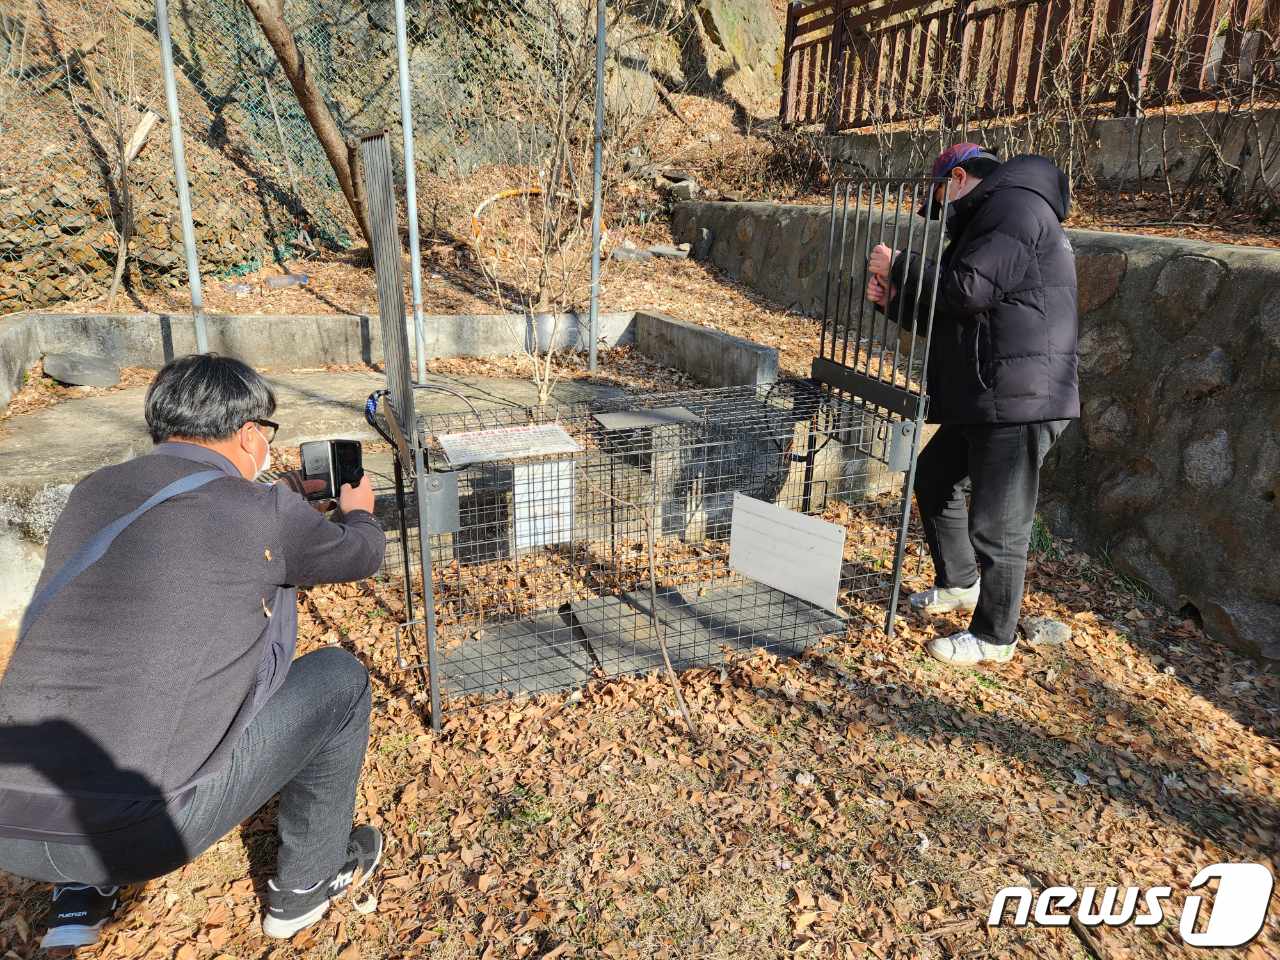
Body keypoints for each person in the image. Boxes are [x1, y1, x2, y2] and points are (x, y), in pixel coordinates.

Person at [0, 354, 387, 948]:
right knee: (339, 679)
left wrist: (278, 497)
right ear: (252, 433)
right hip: (136, 833)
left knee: (94, 675)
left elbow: (196, 515)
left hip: (10, 822)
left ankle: (78, 895)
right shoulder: (261, 511)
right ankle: (305, 887)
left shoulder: (93, 492)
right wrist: (360, 515)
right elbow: (356, 555)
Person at [865, 143, 1079, 666]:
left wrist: (901, 265)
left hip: (1022, 397)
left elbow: (966, 292)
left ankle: (994, 637)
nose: (940, 215)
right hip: (993, 390)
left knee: (999, 521)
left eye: (939, 199)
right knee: (936, 475)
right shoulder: (992, 214)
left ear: (957, 177)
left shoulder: (1015, 207)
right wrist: (898, 302)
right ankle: (961, 583)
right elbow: (960, 313)